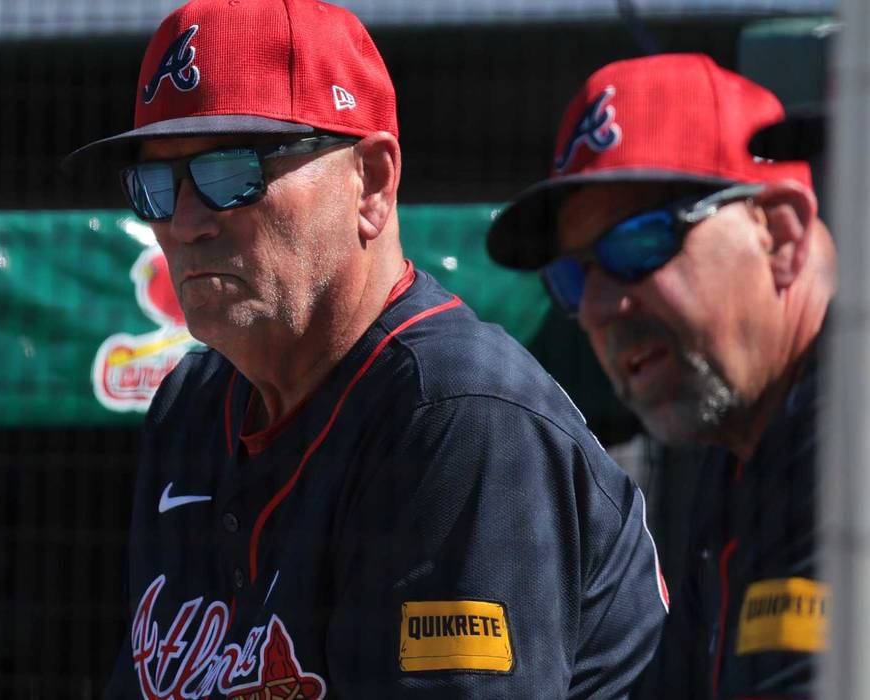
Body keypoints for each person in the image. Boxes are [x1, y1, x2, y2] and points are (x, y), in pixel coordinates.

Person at [66, 1, 668, 696]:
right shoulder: (193, 406)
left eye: (233, 172)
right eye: (156, 185)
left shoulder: (459, 416)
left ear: (372, 182)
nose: (187, 221)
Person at [485, 53, 835, 698]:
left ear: (780, 237)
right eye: (573, 276)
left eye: (639, 244)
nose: (596, 308)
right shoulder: (740, 445)